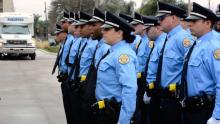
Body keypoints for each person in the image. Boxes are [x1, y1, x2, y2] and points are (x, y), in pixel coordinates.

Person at [94, 11, 138, 124]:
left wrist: (124, 120)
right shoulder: (113, 51)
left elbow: (129, 89)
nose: (103, 31)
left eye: (107, 29)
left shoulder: (123, 55)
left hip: (115, 114)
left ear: (119, 33)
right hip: (105, 111)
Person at [154, 2, 194, 124]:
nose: (158, 21)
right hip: (164, 96)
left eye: (161, 18)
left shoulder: (183, 39)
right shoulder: (169, 38)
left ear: (173, 18)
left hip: (176, 99)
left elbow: (191, 70)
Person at [182, 2, 220, 124]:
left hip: (206, 110)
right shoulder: (196, 44)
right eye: (189, 21)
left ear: (208, 23)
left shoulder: (214, 47)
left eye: (194, 21)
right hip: (191, 108)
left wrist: (217, 116)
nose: (189, 24)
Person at [80, 8, 110, 124]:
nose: (90, 28)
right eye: (89, 25)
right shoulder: (99, 46)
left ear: (103, 26)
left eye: (94, 25)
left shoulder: (106, 48)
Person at [143, 15, 167, 124]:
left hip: (159, 92)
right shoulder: (156, 43)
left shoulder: (163, 43)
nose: (146, 32)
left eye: (148, 29)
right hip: (152, 90)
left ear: (158, 28)